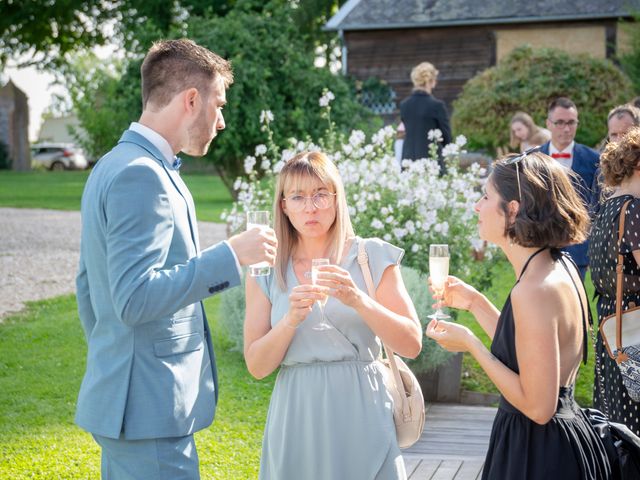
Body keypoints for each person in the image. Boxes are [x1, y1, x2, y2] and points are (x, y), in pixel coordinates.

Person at [74, 39, 278, 479]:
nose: (220, 120)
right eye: (218, 104)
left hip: (131, 401)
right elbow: (132, 298)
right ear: (191, 100)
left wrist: (116, 359)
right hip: (148, 407)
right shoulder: (140, 174)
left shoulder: (115, 163)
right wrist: (230, 255)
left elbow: (89, 286)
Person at [426, 151, 612, 479]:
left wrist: (472, 345)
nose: (477, 206)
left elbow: (539, 407)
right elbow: (532, 350)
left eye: (486, 196)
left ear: (512, 210)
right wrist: (476, 303)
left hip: (537, 453)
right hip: (559, 441)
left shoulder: (533, 290)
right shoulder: (556, 265)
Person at [244, 151, 422, 480]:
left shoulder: (371, 255)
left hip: (363, 409)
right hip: (298, 414)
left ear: (337, 199)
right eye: (297, 196)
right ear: (283, 206)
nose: (310, 207)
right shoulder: (265, 269)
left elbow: (411, 344)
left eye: (320, 195)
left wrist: (358, 300)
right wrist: (290, 321)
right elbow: (256, 366)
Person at [588, 126, 640, 436]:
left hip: (612, 325)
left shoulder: (607, 208)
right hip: (633, 324)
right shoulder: (634, 210)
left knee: (615, 423)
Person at [540, 97, 600, 279]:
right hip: (541, 243)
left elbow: (597, 202)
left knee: (575, 303)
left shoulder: (593, 159)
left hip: (578, 246)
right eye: (560, 123)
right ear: (548, 124)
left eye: (571, 122)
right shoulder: (534, 158)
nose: (566, 129)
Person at [400, 61, 452, 166]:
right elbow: (447, 138)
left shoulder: (404, 105)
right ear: (431, 81)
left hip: (408, 162)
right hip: (431, 163)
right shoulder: (437, 106)